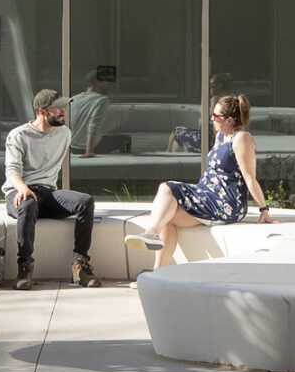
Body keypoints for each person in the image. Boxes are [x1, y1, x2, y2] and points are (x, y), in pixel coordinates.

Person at [145, 94, 273, 267]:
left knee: (167, 187)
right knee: (166, 216)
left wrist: (263, 210)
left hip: (224, 203)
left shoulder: (242, 138)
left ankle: (151, 232)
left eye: (215, 116)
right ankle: (157, 272)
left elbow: (249, 177)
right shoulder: (221, 136)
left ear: (229, 120)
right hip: (206, 194)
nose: (211, 119)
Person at [2, 88, 98, 289]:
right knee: (27, 204)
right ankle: (24, 267)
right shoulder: (18, 135)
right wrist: (22, 188)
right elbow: (11, 170)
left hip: (47, 193)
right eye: (57, 108)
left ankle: (80, 265)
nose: (63, 111)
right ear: (42, 111)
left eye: (63, 107)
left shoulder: (64, 133)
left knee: (85, 201)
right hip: (18, 193)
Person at [68, 67, 117, 154]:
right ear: (98, 82)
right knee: (126, 139)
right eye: (105, 82)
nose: (107, 84)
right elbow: (93, 125)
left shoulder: (74, 99)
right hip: (91, 147)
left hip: (73, 147)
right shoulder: (102, 100)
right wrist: (89, 152)